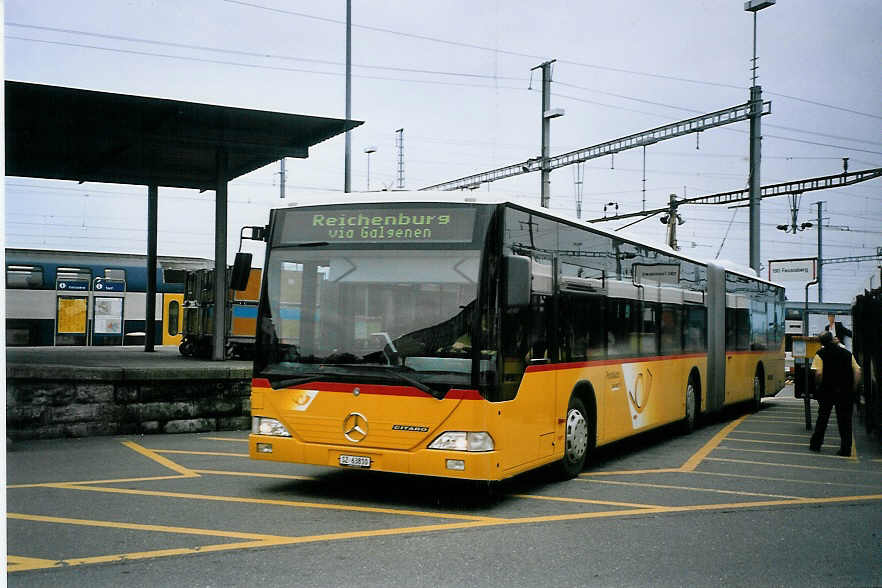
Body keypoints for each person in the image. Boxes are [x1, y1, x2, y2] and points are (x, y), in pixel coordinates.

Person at [809, 330, 861, 456]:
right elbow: (858, 371)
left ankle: (816, 444)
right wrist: (853, 388)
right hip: (845, 391)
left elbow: (818, 373)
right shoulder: (847, 353)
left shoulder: (820, 354)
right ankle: (845, 449)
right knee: (845, 421)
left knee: (823, 418)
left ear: (821, 342)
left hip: (827, 390)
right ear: (832, 339)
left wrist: (818, 384)